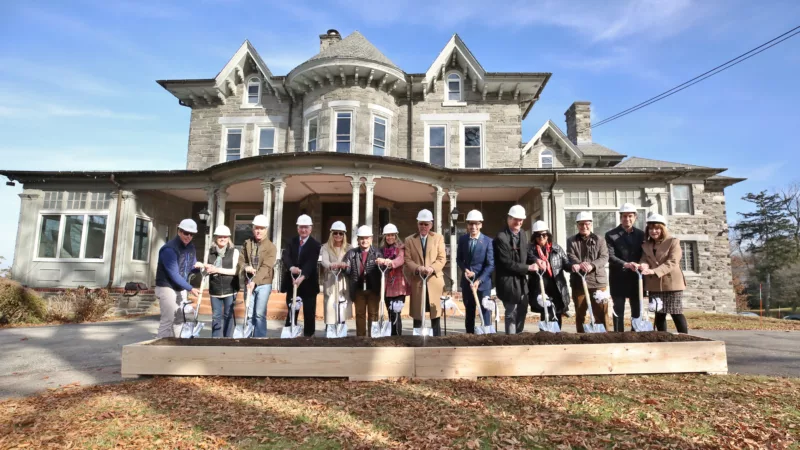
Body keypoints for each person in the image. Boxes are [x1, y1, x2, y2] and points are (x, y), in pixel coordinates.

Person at [154, 218, 204, 338]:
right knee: (169, 318)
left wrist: (198, 267)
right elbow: (174, 274)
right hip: (167, 286)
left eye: (191, 234)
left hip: (180, 286)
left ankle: (176, 345)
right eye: (186, 233)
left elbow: (191, 266)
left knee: (180, 318)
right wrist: (190, 288)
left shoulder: (191, 248)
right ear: (179, 231)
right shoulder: (169, 249)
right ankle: (159, 348)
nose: (188, 236)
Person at [493, 205, 539, 334]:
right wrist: (528, 267)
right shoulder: (501, 237)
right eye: (515, 219)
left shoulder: (523, 233)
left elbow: (526, 252)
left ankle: (518, 334)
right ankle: (511, 340)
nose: (518, 222)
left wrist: (536, 260)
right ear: (509, 218)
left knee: (523, 309)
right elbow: (506, 262)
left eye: (521, 220)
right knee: (511, 312)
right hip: (507, 281)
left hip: (521, 281)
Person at [639, 214, 688, 333]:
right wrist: (643, 264)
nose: (653, 231)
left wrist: (654, 271)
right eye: (650, 228)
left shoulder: (673, 242)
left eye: (657, 228)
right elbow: (644, 258)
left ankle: (685, 339)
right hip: (654, 284)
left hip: (672, 284)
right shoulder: (646, 244)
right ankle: (662, 339)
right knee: (659, 313)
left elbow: (673, 261)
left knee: (676, 312)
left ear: (663, 229)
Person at [403, 209, 447, 336]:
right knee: (418, 313)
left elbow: (442, 258)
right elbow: (407, 259)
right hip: (418, 280)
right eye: (421, 223)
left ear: (431, 225)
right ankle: (417, 339)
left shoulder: (438, 238)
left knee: (435, 314)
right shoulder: (410, 240)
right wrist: (418, 268)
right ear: (417, 224)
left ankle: (437, 339)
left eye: (426, 224)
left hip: (434, 280)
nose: (423, 227)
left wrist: (432, 268)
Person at [605, 203, 646, 332]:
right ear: (620, 217)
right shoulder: (611, 235)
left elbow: (645, 254)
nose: (627, 219)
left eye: (630, 216)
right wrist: (625, 264)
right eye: (624, 216)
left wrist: (640, 264)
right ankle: (618, 336)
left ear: (635, 217)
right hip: (618, 277)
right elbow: (610, 256)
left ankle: (636, 335)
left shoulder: (641, 235)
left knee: (636, 309)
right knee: (618, 310)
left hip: (636, 277)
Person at [567, 211, 610, 333]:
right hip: (579, 282)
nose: (584, 226)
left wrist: (592, 265)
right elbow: (570, 255)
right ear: (577, 225)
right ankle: (581, 336)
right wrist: (580, 264)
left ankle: (604, 336)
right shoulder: (571, 241)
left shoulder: (600, 240)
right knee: (580, 313)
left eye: (587, 224)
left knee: (601, 311)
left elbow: (604, 257)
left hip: (598, 282)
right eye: (581, 224)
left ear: (591, 224)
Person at [281, 214, 322, 337]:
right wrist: (291, 268)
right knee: (292, 310)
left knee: (309, 312)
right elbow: (285, 256)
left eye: (306, 227)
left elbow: (311, 263)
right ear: (297, 228)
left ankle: (309, 337)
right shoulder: (291, 241)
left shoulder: (315, 245)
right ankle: (290, 334)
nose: (303, 230)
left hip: (308, 283)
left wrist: (302, 276)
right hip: (292, 282)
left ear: (310, 229)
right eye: (301, 227)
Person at [527, 220, 571, 328]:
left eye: (544, 235)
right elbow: (526, 264)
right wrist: (535, 261)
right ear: (534, 237)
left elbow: (566, 264)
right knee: (545, 311)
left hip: (556, 286)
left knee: (557, 312)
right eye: (538, 235)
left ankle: (557, 335)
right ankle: (545, 336)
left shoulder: (556, 248)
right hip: (540, 287)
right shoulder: (530, 250)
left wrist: (574, 266)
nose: (541, 237)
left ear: (548, 235)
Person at [456, 209, 494, 334]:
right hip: (467, 283)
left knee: (485, 311)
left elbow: (490, 265)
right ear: (467, 225)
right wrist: (465, 269)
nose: (473, 227)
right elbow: (459, 259)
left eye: (476, 223)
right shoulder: (462, 240)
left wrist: (478, 279)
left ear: (481, 224)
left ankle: (487, 336)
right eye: (471, 223)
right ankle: (469, 338)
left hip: (483, 284)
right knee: (469, 311)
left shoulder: (488, 241)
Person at [239, 214, 277, 337]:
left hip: (264, 283)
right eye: (256, 228)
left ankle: (259, 339)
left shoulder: (271, 247)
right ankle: (248, 338)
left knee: (259, 314)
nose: (258, 231)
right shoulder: (247, 243)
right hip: (248, 281)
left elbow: (266, 267)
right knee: (249, 313)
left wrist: (254, 281)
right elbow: (240, 260)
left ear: (266, 229)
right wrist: (246, 267)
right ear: (253, 228)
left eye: (261, 228)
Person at [343, 225, 381, 336]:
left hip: (373, 289)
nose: (364, 240)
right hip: (358, 289)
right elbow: (347, 269)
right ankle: (361, 338)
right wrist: (344, 267)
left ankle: (373, 338)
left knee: (373, 313)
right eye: (361, 238)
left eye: (367, 238)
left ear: (371, 239)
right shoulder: (352, 253)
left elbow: (383, 271)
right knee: (360, 314)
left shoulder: (377, 253)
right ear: (358, 239)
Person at [205, 225, 240, 338]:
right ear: (216, 237)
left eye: (225, 236)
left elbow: (235, 271)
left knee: (228, 316)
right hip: (214, 289)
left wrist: (217, 269)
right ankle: (215, 340)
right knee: (216, 316)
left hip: (230, 288)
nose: (223, 239)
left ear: (229, 238)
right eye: (220, 236)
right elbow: (205, 269)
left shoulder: (234, 252)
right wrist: (204, 268)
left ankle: (227, 340)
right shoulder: (209, 252)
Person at [320, 221, 352, 334]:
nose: (338, 235)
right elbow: (324, 261)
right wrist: (331, 265)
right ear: (331, 234)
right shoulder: (325, 247)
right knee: (329, 302)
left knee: (342, 302)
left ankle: (342, 325)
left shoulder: (349, 248)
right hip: (331, 278)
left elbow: (350, 261)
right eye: (335, 233)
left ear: (344, 235)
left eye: (340, 233)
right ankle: (330, 326)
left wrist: (344, 265)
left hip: (343, 279)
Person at [376, 224, 408, 335]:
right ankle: (390, 336)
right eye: (387, 235)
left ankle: (397, 336)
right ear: (384, 236)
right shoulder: (381, 250)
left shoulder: (401, 248)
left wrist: (388, 262)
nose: (390, 237)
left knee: (396, 313)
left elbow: (400, 260)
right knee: (390, 313)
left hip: (398, 285)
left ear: (396, 236)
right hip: (386, 286)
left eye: (392, 235)